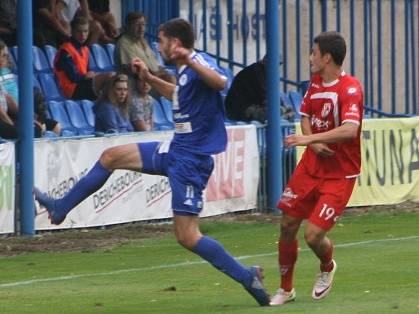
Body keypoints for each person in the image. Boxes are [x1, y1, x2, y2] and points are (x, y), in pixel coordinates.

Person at [34, 18, 270, 307]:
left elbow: (220, 82)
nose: (157, 47)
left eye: (161, 41)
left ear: (176, 43)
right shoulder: (183, 70)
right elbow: (179, 96)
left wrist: (190, 60)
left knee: (187, 236)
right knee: (111, 156)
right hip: (176, 150)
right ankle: (61, 207)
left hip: (191, 160)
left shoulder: (197, 61)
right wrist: (148, 77)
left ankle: (247, 277)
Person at [269, 31, 364, 306]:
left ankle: (327, 266)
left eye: (314, 52)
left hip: (339, 174)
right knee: (287, 224)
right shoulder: (315, 83)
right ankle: (286, 289)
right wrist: (312, 145)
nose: (310, 57)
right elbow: (306, 117)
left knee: (313, 235)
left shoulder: (350, 88)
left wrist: (309, 139)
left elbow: (350, 130)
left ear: (327, 57)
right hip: (310, 168)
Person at [54, 15, 112, 100]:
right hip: (72, 90)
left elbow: (88, 72)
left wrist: (92, 75)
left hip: (83, 85)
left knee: (117, 80)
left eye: (85, 31)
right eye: (79, 31)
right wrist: (87, 76)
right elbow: (74, 78)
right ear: (72, 31)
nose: (83, 35)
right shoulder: (65, 50)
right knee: (110, 77)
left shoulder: (85, 49)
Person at [225, 55, 294, 123]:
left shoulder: (263, 72)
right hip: (240, 110)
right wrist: (281, 108)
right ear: (266, 61)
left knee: (286, 111)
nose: (276, 68)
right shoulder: (256, 71)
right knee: (275, 112)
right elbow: (265, 95)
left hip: (250, 108)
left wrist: (283, 107)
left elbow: (272, 95)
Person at [115, 12, 173, 85]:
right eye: (137, 24)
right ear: (128, 26)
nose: (141, 28)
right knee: (170, 80)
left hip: (153, 79)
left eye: (143, 24)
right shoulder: (124, 42)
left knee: (173, 77)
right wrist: (158, 76)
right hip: (139, 83)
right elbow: (134, 69)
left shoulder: (142, 41)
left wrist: (162, 72)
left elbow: (155, 63)